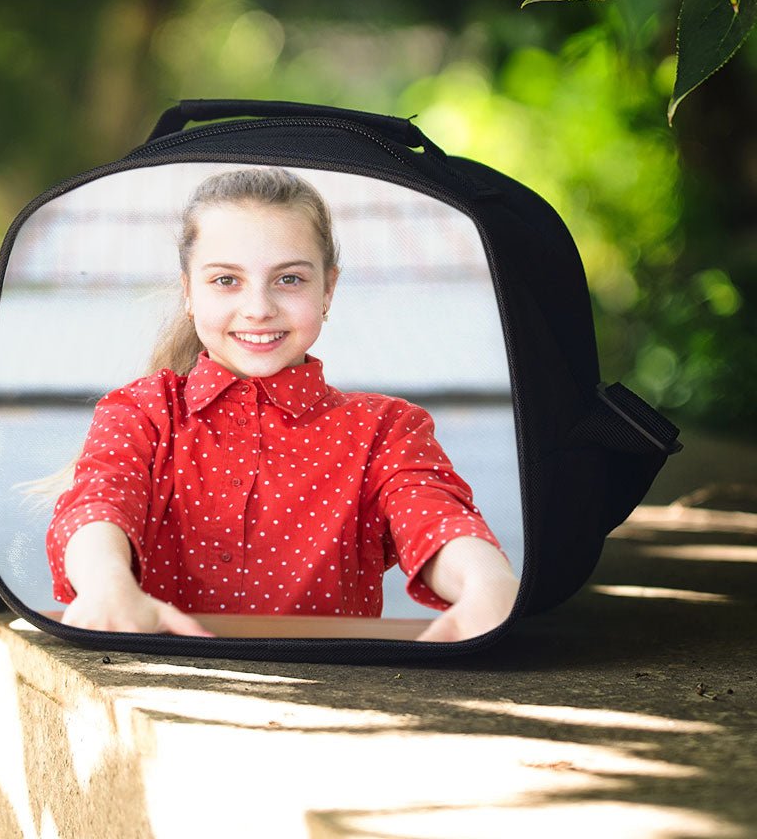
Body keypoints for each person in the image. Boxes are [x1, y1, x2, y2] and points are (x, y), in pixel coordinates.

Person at [45, 167, 518, 641]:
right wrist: (105, 584)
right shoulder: (139, 411)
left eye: (289, 279)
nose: (258, 308)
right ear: (189, 291)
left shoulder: (386, 428)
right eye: (227, 280)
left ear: (328, 289)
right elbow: (98, 504)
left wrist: (488, 583)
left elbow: (435, 517)